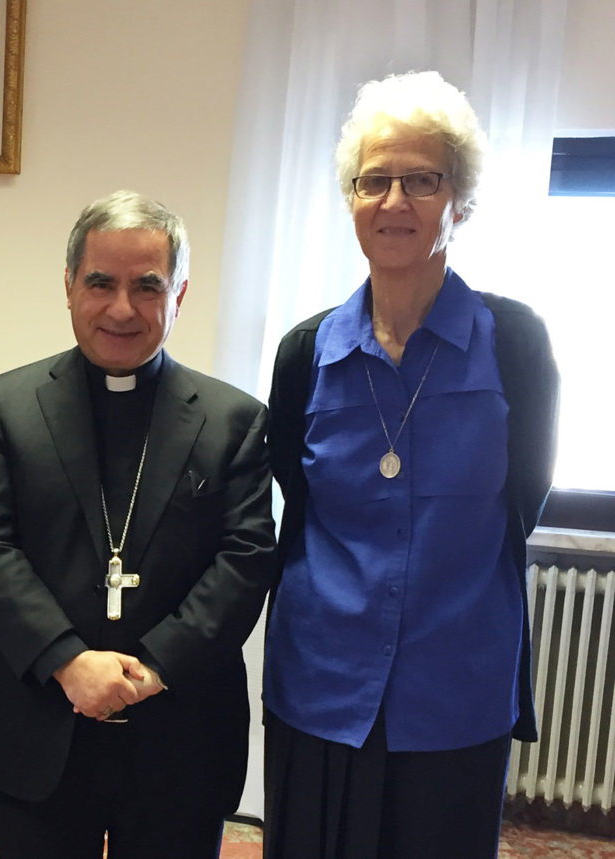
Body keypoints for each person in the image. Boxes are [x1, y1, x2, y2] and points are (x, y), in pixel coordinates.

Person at [262, 71, 560, 858]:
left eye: (422, 180)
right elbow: (298, 496)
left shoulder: (516, 343)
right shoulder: (306, 351)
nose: (395, 203)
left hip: (456, 684)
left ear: (458, 199)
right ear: (351, 199)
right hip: (321, 682)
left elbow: (524, 494)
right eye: (375, 181)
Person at [0, 190, 275, 858]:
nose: (122, 308)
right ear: (70, 286)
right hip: (37, 725)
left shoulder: (232, 421)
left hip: (179, 734)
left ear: (178, 295)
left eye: (147, 286)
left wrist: (151, 668)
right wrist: (68, 661)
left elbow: (244, 561)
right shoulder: (7, 407)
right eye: (101, 282)